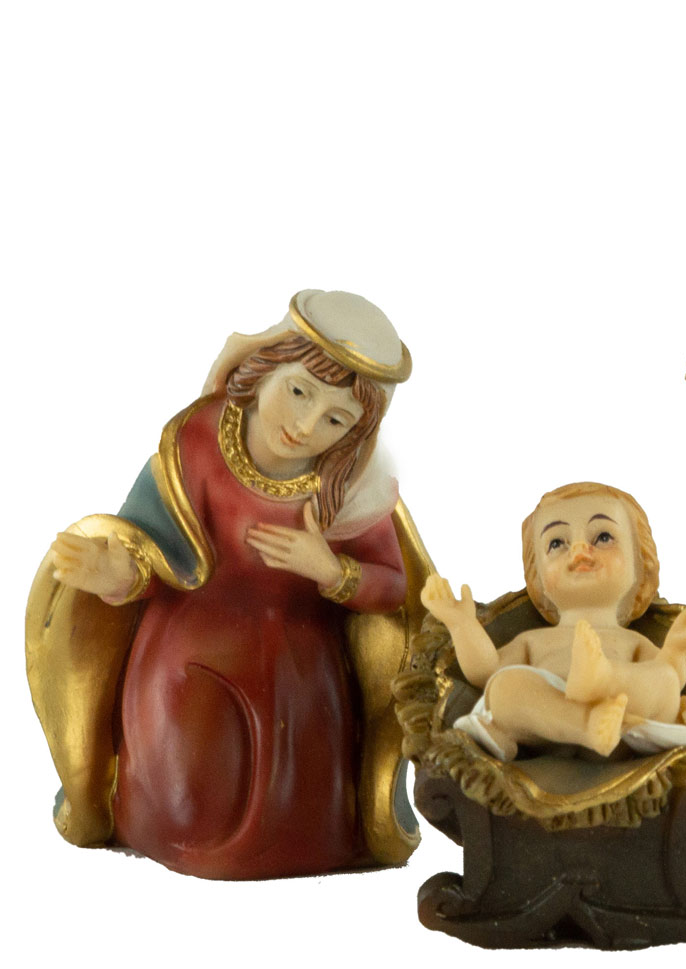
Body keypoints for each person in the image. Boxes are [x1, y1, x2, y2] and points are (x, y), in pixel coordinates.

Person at [28, 289, 429, 879]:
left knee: (297, 801)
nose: (305, 426)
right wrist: (117, 572)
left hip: (301, 676)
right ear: (264, 370)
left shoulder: (349, 492)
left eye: (335, 419)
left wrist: (332, 571)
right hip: (185, 656)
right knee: (187, 782)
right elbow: (147, 540)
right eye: (299, 392)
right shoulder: (196, 443)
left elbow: (393, 588)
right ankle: (151, 819)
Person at [420, 481, 686, 761]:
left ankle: (604, 680)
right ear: (537, 576)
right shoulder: (535, 640)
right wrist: (461, 624)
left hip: (624, 719)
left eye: (603, 537)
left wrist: (677, 647)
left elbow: (672, 681)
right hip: (547, 722)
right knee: (504, 687)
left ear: (640, 562)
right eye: (557, 543)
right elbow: (486, 671)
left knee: (665, 680)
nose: (579, 550)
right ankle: (588, 724)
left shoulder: (632, 642)